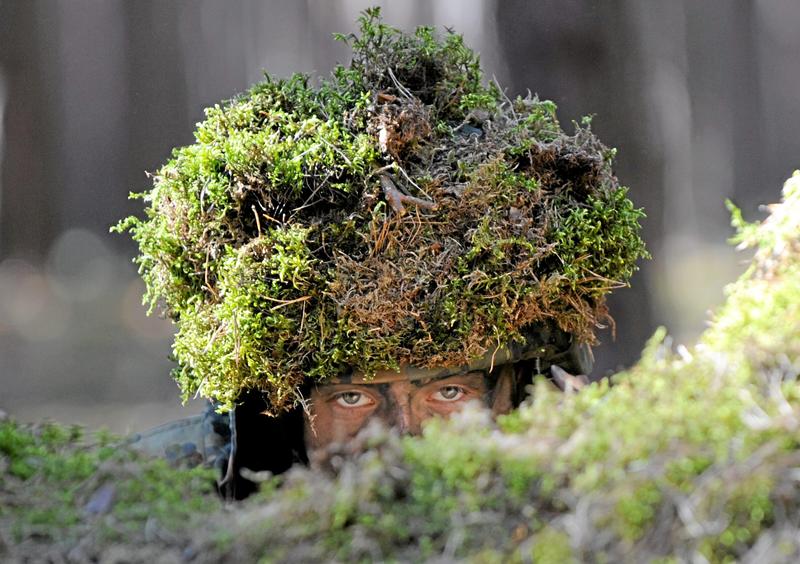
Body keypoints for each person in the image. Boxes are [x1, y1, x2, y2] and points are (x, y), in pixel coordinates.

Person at [121, 11, 645, 500]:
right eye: (352, 398)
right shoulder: (158, 493)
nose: (399, 442)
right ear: (281, 412)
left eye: (450, 393)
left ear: (520, 394)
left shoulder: (602, 489)